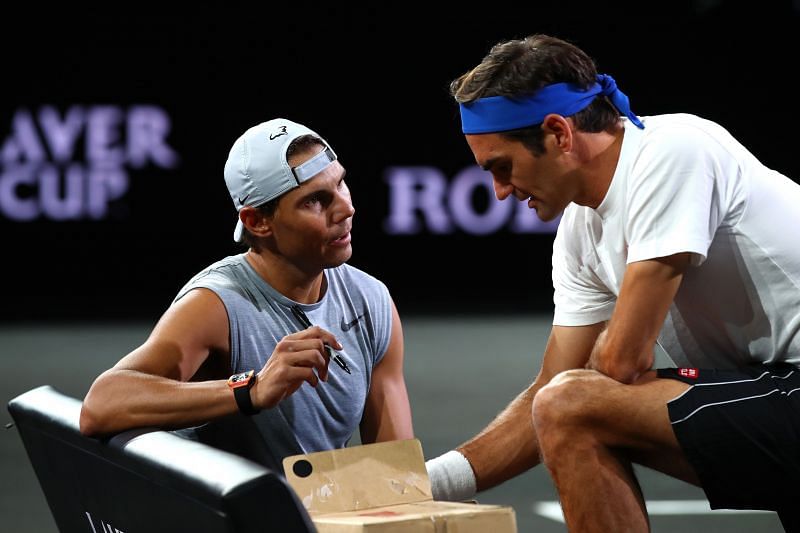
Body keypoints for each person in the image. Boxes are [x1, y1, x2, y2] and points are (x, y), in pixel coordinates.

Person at [424, 34, 800, 531]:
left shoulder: (674, 149)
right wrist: (422, 486)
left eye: (502, 167)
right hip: (767, 393)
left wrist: (579, 387)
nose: (498, 191)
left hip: (782, 388)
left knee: (572, 405)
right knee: (563, 402)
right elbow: (550, 391)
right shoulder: (579, 235)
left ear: (558, 133)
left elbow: (621, 364)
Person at [80, 118, 414, 472]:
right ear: (257, 222)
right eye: (316, 200)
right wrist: (249, 390)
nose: (346, 208)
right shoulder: (215, 304)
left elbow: (396, 474)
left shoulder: (371, 301)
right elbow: (100, 405)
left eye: (341, 183)